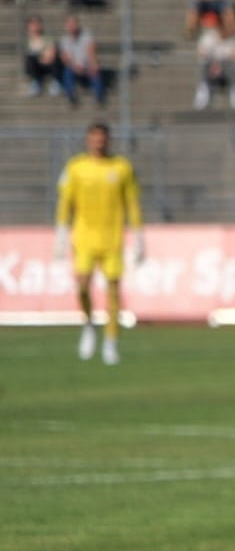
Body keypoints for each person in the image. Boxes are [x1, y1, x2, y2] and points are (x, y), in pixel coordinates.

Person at [54, 122, 144, 367]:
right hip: (84, 238)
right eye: (94, 138)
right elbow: (65, 202)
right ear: (88, 140)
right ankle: (89, 324)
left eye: (102, 138)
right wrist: (61, 233)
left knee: (113, 290)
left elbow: (132, 203)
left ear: (108, 140)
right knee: (82, 286)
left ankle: (111, 341)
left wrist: (139, 235)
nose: (99, 142)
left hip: (112, 239)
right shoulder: (76, 167)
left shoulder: (121, 167)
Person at [57, 14, 106, 107]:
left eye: (73, 23)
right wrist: (76, 67)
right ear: (65, 26)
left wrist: (93, 64)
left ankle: (99, 95)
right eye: (69, 24)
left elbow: (91, 51)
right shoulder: (64, 40)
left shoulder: (86, 35)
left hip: (87, 65)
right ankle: (70, 94)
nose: (71, 26)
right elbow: (66, 59)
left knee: (95, 69)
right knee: (67, 71)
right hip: (74, 67)